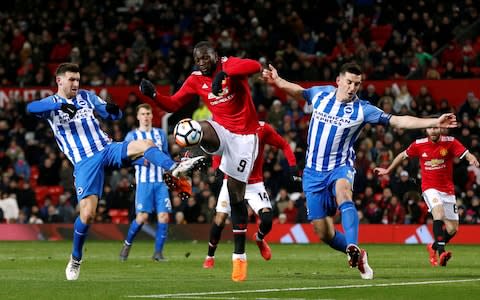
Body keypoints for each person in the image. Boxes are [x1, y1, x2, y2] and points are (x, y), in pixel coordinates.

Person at [262, 62, 458, 280]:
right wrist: (278, 81)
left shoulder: (362, 109)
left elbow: (398, 121)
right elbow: (299, 91)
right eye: (349, 82)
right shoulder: (321, 94)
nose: (353, 87)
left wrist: (433, 121)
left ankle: (353, 246)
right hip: (312, 172)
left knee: (343, 192)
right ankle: (358, 255)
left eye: (357, 84)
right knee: (323, 232)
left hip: (340, 167)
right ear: (338, 81)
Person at [26, 63, 204, 280]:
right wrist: (61, 108)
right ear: (59, 80)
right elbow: (31, 108)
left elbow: (113, 114)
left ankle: (175, 168)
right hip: (85, 162)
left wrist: (112, 111)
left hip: (107, 149)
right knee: (88, 214)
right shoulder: (51, 103)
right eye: (71, 79)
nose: (75, 84)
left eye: (78, 79)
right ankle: (75, 258)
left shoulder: (86, 96)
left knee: (145, 143)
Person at [139, 41, 262, 282]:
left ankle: (239, 258)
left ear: (215, 56)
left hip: (245, 137)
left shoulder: (229, 64)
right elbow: (173, 104)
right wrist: (154, 95)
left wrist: (225, 74)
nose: (202, 62)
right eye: (198, 58)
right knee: (191, 127)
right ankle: (190, 159)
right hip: (220, 130)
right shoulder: (195, 79)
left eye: (206, 57)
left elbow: (255, 65)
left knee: (236, 198)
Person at [374, 126, 479, 266]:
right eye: (430, 128)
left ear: (440, 129)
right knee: (438, 213)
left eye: (436, 128)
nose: (433, 131)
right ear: (426, 130)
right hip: (430, 188)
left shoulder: (450, 142)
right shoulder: (419, 144)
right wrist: (388, 170)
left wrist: (472, 158)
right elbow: (402, 155)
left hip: (447, 190)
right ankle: (441, 253)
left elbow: (466, 153)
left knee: (453, 229)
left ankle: (433, 247)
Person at [202, 121, 300, 268]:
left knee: (267, 219)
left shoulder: (263, 128)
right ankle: (210, 255)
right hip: (232, 180)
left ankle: (259, 239)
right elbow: (219, 148)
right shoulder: (229, 127)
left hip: (254, 183)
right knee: (220, 219)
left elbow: (284, 145)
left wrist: (293, 166)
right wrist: (217, 167)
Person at [119, 103, 177, 262]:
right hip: (144, 183)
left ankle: (158, 253)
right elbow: (124, 159)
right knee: (142, 217)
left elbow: (165, 155)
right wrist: (138, 161)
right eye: (142, 114)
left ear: (152, 116)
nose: (145, 117)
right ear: (138, 116)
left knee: (164, 217)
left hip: (160, 183)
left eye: (148, 114)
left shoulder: (160, 134)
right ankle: (127, 244)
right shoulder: (131, 136)